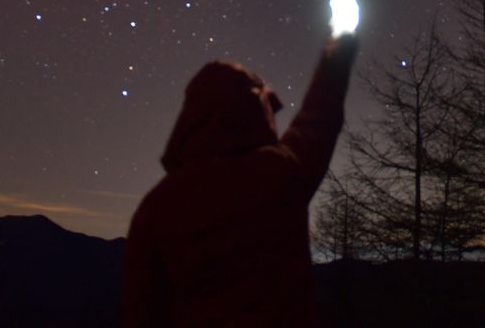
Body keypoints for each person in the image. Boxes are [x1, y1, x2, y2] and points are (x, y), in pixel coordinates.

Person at [122, 31, 359, 327]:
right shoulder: (278, 174)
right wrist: (340, 42)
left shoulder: (156, 207)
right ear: (254, 109)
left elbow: (141, 310)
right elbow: (320, 115)